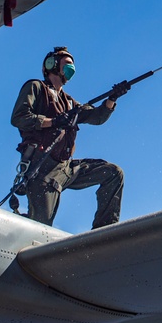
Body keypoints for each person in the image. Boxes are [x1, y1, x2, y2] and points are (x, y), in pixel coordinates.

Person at [11, 46, 129, 229]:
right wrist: (53, 122)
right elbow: (19, 118)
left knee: (113, 173)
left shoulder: (69, 103)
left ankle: (104, 232)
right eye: (67, 64)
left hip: (66, 168)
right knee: (39, 229)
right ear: (52, 64)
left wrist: (112, 99)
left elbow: (96, 117)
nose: (71, 69)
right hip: (43, 169)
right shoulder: (36, 87)